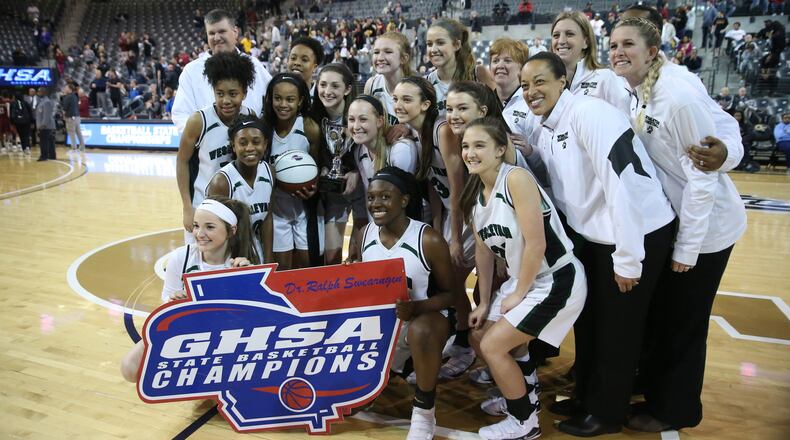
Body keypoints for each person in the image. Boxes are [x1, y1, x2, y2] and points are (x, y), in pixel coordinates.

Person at [521, 52, 677, 436]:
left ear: (563, 81)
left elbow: (623, 186)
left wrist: (628, 259)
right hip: (595, 237)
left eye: (539, 81)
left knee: (617, 330)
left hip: (634, 233)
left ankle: (606, 413)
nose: (530, 91)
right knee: (589, 323)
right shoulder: (546, 125)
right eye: (525, 85)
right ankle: (586, 397)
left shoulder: (590, 114)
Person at [610, 17, 747, 433]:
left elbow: (703, 179)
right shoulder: (631, 87)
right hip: (676, 223)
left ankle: (677, 410)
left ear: (653, 51)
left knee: (683, 323)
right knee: (664, 317)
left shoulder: (678, 94)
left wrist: (688, 249)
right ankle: (654, 390)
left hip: (707, 230)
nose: (618, 51)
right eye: (613, 43)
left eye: (628, 44)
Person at [459, 117, 586, 439]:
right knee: (478, 335)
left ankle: (524, 423)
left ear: (501, 150)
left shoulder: (516, 179)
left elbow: (537, 242)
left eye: (479, 145)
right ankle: (526, 395)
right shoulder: (476, 197)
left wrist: (520, 292)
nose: (470, 153)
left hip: (557, 278)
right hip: (527, 280)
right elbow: (484, 252)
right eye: (465, 146)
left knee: (493, 345)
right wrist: (485, 300)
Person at [351, 167, 456, 440]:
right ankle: (372, 385)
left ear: (405, 201)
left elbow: (451, 295)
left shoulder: (429, 239)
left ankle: (424, 412)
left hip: (424, 320)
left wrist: (417, 308)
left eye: (385, 197)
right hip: (382, 324)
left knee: (421, 330)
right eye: (372, 197)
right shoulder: (363, 235)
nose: (376, 204)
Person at [393, 76, 477, 379]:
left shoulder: (442, 129)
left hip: (472, 214)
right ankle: (458, 338)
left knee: (453, 279)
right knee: (445, 279)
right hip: (453, 217)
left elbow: (456, 189)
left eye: (406, 99)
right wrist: (440, 231)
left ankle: (465, 345)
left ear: (425, 104)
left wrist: (453, 241)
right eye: (396, 99)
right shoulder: (416, 134)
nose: (399, 105)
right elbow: (436, 193)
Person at [120, 196, 256, 382]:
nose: (200, 233)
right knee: (130, 367)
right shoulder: (180, 258)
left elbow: (252, 316)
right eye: (196, 225)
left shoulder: (241, 263)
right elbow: (166, 302)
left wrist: (247, 278)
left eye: (209, 227)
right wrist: (174, 302)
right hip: (186, 331)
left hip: (226, 336)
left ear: (231, 231)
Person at [620, 4, 744, 173]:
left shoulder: (680, 81)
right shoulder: (619, 79)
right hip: (655, 192)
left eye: (632, 25)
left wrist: (725, 153)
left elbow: (723, 124)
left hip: (691, 191)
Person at [176, 52, 257, 245]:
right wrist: (187, 207)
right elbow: (182, 161)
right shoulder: (199, 120)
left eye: (233, 94)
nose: (226, 101)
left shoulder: (250, 117)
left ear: (244, 92)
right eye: (220, 93)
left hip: (237, 209)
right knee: (201, 268)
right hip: (203, 208)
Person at [172, 9, 271, 133]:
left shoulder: (255, 65)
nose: (217, 38)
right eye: (211, 33)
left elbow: (271, 104)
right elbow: (181, 115)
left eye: (222, 31)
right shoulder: (191, 71)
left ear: (235, 32)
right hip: (208, 149)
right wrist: (203, 140)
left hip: (251, 145)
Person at [261, 73, 322, 270]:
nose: (283, 104)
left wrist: (315, 187)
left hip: (304, 208)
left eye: (290, 99)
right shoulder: (264, 129)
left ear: (301, 100)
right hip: (276, 210)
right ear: (270, 99)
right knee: (282, 268)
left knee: (307, 265)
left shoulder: (308, 127)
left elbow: (318, 166)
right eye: (277, 98)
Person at [311, 64, 367, 265]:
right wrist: (323, 168)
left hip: (362, 191)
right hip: (333, 193)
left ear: (348, 89)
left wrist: (357, 171)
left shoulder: (360, 114)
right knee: (331, 257)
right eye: (323, 85)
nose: (327, 91)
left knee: (360, 253)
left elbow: (373, 148)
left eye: (335, 86)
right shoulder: (314, 116)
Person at [207, 115, 275, 263]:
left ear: (265, 144)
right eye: (242, 142)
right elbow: (213, 229)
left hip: (256, 251)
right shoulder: (222, 182)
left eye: (256, 142)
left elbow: (267, 219)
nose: (250, 148)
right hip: (228, 258)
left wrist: (269, 260)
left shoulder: (270, 171)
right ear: (233, 146)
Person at [348, 95, 419, 197]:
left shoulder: (400, 149)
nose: (356, 126)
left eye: (363, 119)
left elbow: (401, 199)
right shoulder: (359, 151)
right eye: (351, 119)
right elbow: (370, 198)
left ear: (379, 121)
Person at [425, 19, 495, 117]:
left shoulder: (478, 74)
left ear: (456, 45)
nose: (433, 49)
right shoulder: (427, 83)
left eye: (440, 43)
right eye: (429, 44)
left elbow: (497, 116)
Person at [364, 31, 413, 126]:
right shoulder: (371, 85)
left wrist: (409, 131)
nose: (380, 58)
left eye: (388, 52)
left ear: (403, 59)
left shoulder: (417, 89)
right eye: (376, 52)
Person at [62, 83, 85, 152]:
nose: (64, 89)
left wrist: (63, 115)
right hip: (77, 116)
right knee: (78, 132)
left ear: (69, 89)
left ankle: (74, 148)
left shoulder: (67, 97)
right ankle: (82, 146)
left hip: (70, 117)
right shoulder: (75, 96)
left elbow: (64, 108)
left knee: (71, 132)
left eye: (66, 88)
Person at [35, 88, 56, 161]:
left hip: (46, 126)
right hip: (45, 126)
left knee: (44, 142)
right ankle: (51, 155)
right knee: (48, 141)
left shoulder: (46, 102)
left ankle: (44, 156)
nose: (38, 93)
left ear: (43, 92)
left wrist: (43, 125)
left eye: (39, 91)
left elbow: (46, 116)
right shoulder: (42, 101)